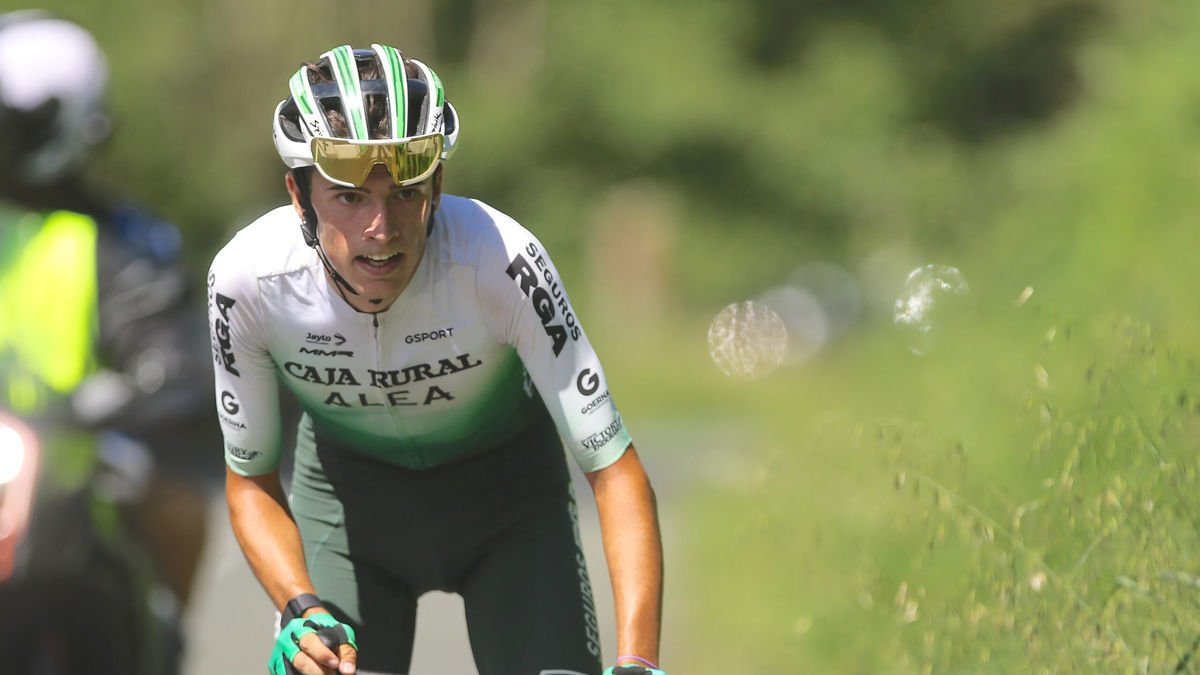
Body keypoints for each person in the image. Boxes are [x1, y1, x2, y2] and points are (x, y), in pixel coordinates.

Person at [207, 43, 666, 675]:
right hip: (348, 510)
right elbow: (250, 483)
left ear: (437, 184)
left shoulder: (501, 259)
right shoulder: (247, 280)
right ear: (298, 193)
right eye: (348, 197)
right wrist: (298, 605)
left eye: (403, 192)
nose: (380, 226)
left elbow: (614, 469)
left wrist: (639, 660)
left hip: (510, 507)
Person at [0, 8, 219, 663]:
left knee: (175, 497)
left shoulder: (120, 238)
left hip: (77, 466)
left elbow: (172, 348)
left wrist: (113, 396)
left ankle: (161, 634)